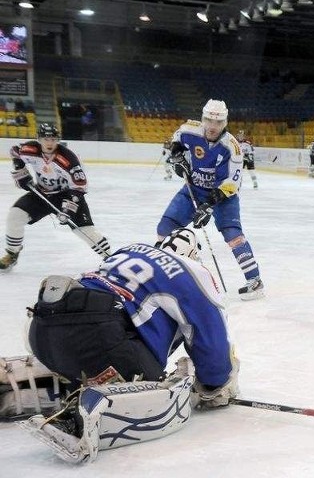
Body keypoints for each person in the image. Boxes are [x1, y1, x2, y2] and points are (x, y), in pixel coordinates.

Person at [17, 228, 238, 463]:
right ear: (193, 254)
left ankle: (29, 383)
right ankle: (76, 420)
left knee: (90, 352)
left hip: (40, 330)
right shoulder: (191, 271)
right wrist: (215, 384)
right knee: (154, 383)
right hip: (99, 337)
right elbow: (209, 329)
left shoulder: (132, 250)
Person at [157, 99, 264, 300]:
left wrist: (208, 205)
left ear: (225, 122)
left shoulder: (232, 147)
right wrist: (177, 155)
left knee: (234, 237)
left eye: (218, 122)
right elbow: (177, 139)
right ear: (203, 119)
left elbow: (232, 184)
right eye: (209, 121)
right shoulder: (190, 129)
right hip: (193, 190)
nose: (213, 127)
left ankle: (255, 280)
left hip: (223, 196)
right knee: (164, 229)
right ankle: (167, 273)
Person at [0, 123, 111, 271]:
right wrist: (21, 171)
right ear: (38, 139)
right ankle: (12, 254)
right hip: (41, 194)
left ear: (57, 140)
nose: (50, 143)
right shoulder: (30, 150)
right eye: (46, 139)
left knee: (84, 230)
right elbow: (15, 152)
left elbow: (79, 186)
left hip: (67, 194)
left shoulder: (68, 158)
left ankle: (111, 258)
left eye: (53, 139)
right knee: (15, 216)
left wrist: (69, 209)